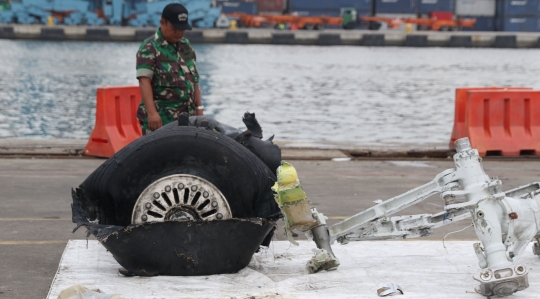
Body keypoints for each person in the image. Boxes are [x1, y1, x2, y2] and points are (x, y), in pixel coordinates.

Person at [135, 3, 203, 135]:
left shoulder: (186, 46)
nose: (179, 32)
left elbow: (194, 80)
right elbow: (144, 81)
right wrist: (152, 113)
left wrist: (199, 108)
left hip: (187, 119)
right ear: (163, 22)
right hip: (161, 120)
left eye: (182, 29)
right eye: (175, 28)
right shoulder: (150, 48)